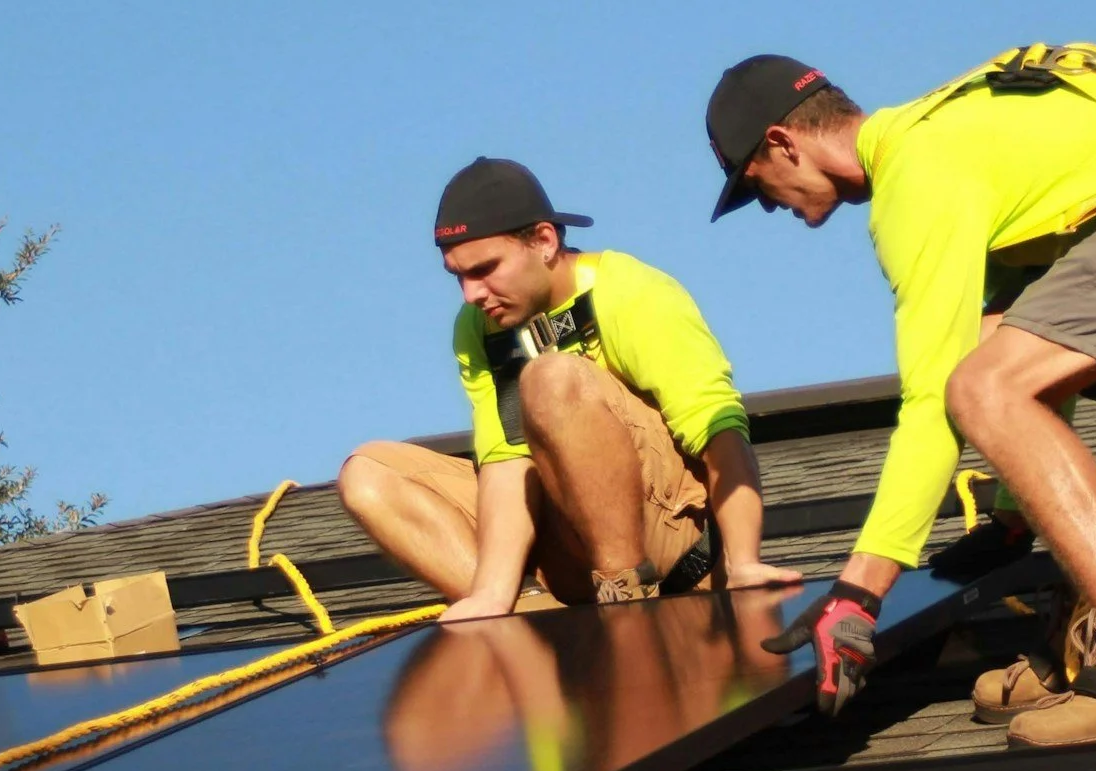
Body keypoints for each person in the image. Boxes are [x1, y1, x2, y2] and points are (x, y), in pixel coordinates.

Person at [710, 44, 1096, 746]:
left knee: (977, 387)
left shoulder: (918, 174)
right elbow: (1031, 320)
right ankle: (1086, 632)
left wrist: (858, 594)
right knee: (992, 355)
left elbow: (934, 403)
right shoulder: (943, 139)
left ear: (782, 142)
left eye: (752, 183)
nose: (765, 206)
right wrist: (1011, 520)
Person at [343, 157, 800, 620]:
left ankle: (626, 596)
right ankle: (529, 618)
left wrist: (743, 563)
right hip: (565, 550)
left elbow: (718, 426)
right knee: (368, 475)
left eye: (484, 269)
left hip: (672, 542)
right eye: (458, 276)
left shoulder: (628, 290)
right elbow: (504, 460)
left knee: (549, 378)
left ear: (543, 241)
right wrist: (491, 594)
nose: (471, 294)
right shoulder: (478, 328)